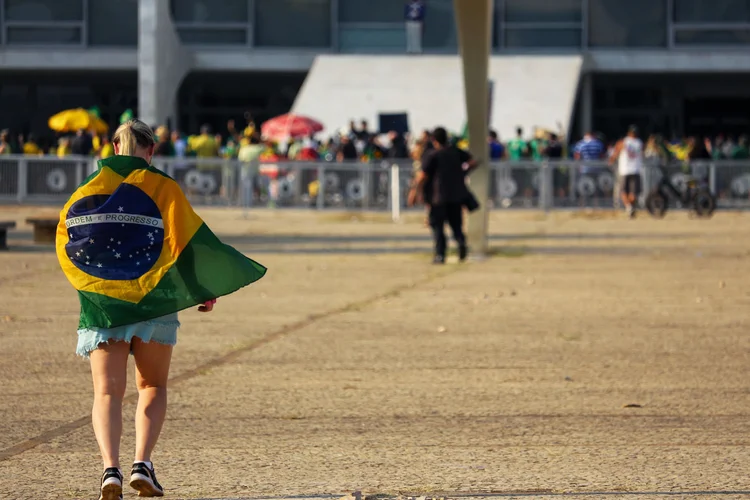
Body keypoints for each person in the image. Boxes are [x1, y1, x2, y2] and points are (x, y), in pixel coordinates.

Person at [72, 119, 219, 500]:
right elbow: (184, 240)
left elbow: (75, 243)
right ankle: (142, 464)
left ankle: (110, 471)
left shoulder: (91, 187)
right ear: (151, 151)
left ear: (115, 148)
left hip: (104, 302)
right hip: (154, 296)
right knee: (152, 386)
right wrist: (201, 289)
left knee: (107, 393)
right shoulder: (164, 188)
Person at [414, 126, 478, 264]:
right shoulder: (455, 152)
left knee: (438, 227)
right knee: (456, 225)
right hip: (455, 196)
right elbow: (472, 162)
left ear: (434, 140)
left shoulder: (432, 155)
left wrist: (416, 191)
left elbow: (422, 176)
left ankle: (440, 255)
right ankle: (461, 244)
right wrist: (463, 172)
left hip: (438, 198)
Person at [609, 125, 643, 218]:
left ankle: (629, 207)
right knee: (634, 192)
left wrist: (611, 160)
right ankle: (631, 207)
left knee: (623, 191)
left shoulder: (623, 142)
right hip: (636, 169)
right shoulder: (639, 143)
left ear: (629, 132)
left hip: (624, 170)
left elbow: (616, 152)